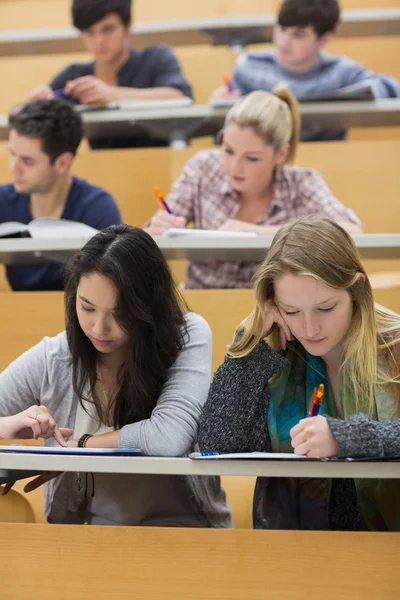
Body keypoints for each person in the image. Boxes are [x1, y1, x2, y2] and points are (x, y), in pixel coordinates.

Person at [0, 225, 231, 527]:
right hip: (92, 539)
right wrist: (8, 425)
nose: (99, 328)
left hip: (188, 530)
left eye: (119, 312)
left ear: (148, 305)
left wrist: (78, 447)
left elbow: (168, 437)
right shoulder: (55, 356)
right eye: (87, 308)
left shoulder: (185, 334)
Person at [198, 216, 400, 531]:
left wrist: (345, 437)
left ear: (357, 290)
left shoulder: (394, 344)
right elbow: (218, 441)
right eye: (292, 311)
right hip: (297, 551)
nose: (309, 329)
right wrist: (249, 349)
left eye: (326, 308)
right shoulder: (272, 350)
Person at [144, 86, 362, 289]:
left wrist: (258, 233)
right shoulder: (203, 167)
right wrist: (156, 229)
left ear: (281, 154)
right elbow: (150, 236)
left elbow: (352, 232)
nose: (235, 167)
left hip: (273, 311)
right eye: (228, 151)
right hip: (201, 302)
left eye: (252, 158)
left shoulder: (301, 183)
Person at [212, 0, 400, 141]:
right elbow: (228, 135)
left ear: (324, 39)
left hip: (328, 165)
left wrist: (363, 93)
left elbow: (390, 87)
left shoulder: (339, 71)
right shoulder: (249, 66)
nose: (284, 41)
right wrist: (226, 104)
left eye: (298, 35)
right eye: (282, 29)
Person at [25, 0, 193, 149]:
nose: (99, 41)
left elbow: (179, 96)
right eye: (90, 32)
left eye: (108, 29)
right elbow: (27, 118)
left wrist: (112, 95)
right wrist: (34, 105)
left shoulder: (156, 58)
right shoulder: (75, 75)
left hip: (160, 167)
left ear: (128, 26)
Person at [1, 98, 122, 291]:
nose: (13, 168)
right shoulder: (2, 200)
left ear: (63, 163)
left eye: (27, 161)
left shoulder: (98, 208)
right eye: (12, 154)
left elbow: (110, 291)